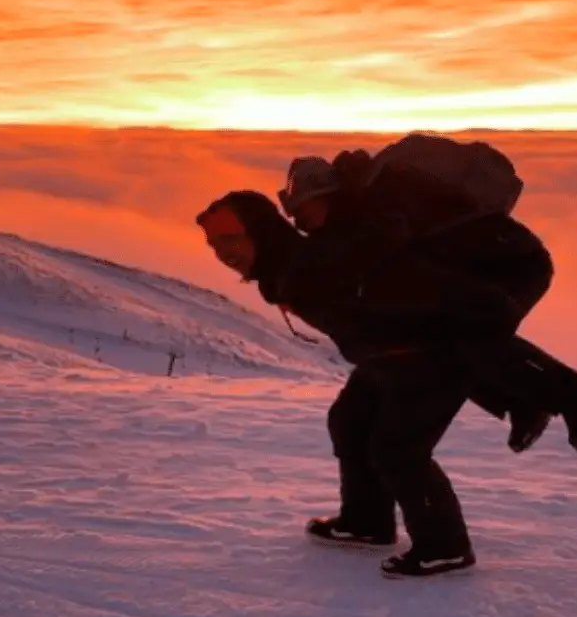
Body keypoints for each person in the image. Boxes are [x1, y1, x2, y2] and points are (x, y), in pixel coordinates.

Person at [198, 190, 480, 578]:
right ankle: (367, 523)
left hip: (428, 352)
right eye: (214, 244)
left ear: (259, 231)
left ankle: (445, 547)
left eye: (231, 238)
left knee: (398, 448)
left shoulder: (306, 264)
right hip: (388, 354)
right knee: (350, 421)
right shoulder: (284, 268)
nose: (222, 252)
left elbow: (374, 275)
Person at [277, 154, 577, 454]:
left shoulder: (376, 208)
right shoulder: (353, 217)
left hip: (513, 264)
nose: (299, 223)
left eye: (302, 212)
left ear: (323, 196)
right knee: (444, 344)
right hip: (480, 271)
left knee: (474, 340)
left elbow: (382, 251)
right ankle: (524, 405)